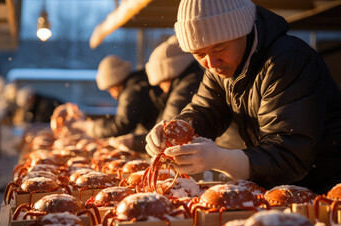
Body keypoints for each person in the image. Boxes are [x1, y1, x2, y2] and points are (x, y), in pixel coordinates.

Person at [145, 0, 341, 194]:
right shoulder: (221, 67)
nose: (211, 63)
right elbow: (205, 110)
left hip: (326, 190)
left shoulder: (288, 62)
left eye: (219, 49)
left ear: (242, 31)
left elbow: (290, 155)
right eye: (199, 54)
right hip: (287, 189)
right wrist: (175, 131)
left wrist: (222, 159)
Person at [110, 35, 204, 151]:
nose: (160, 87)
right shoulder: (187, 83)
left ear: (171, 74)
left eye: (161, 81)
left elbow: (167, 133)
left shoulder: (185, 89)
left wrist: (133, 141)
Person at [72, 55, 159, 141]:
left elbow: (121, 124)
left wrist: (89, 127)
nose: (112, 95)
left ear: (116, 82)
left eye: (110, 89)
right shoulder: (137, 83)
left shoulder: (132, 92)